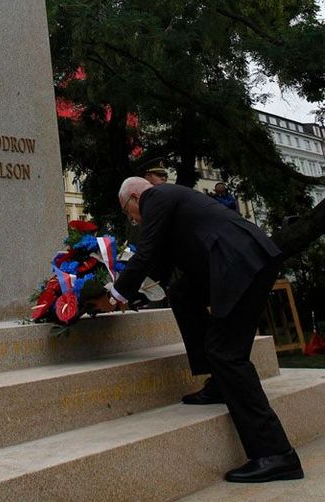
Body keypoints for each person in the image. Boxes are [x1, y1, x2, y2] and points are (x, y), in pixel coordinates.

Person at [93, 177, 303, 484]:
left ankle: (275, 454)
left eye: (129, 212)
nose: (133, 219)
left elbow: (148, 251)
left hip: (240, 262)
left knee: (227, 354)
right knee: (181, 292)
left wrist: (116, 295)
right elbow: (160, 269)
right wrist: (122, 291)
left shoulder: (157, 197)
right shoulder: (170, 203)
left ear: (136, 196)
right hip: (236, 261)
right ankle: (218, 382)